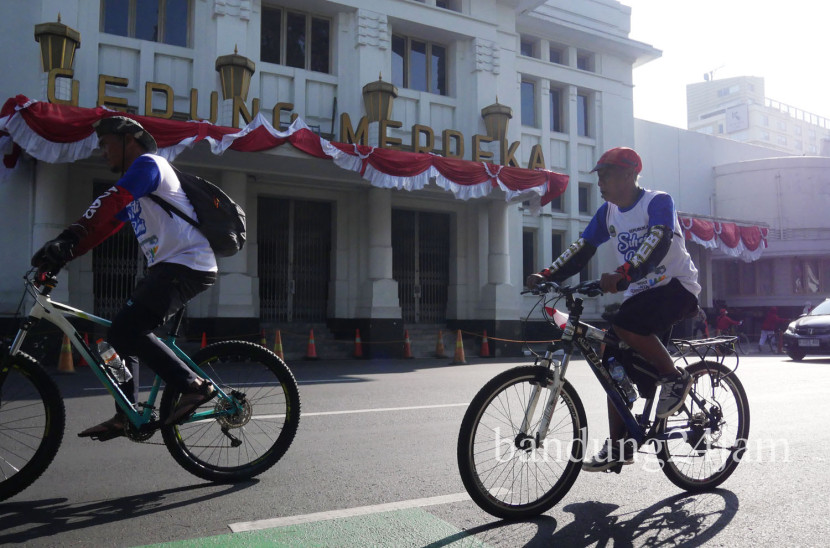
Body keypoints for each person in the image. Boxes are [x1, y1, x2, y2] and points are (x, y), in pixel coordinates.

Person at [30, 116, 218, 441]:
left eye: (105, 143)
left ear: (129, 139)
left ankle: (194, 386)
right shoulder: (137, 186)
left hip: (187, 263)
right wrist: (63, 255)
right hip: (168, 267)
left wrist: (68, 235)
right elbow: (103, 227)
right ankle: (125, 413)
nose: (102, 151)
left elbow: (111, 200)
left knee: (128, 329)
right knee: (110, 341)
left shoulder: (149, 164)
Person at [526, 146, 700, 472]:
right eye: (600, 176)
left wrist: (624, 274)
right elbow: (582, 248)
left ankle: (674, 378)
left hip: (676, 288)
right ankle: (621, 446)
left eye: (606, 175)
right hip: (640, 293)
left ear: (629, 175)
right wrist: (547, 275)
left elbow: (657, 240)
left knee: (626, 324)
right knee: (610, 362)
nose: (600, 182)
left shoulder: (657, 201)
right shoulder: (608, 212)